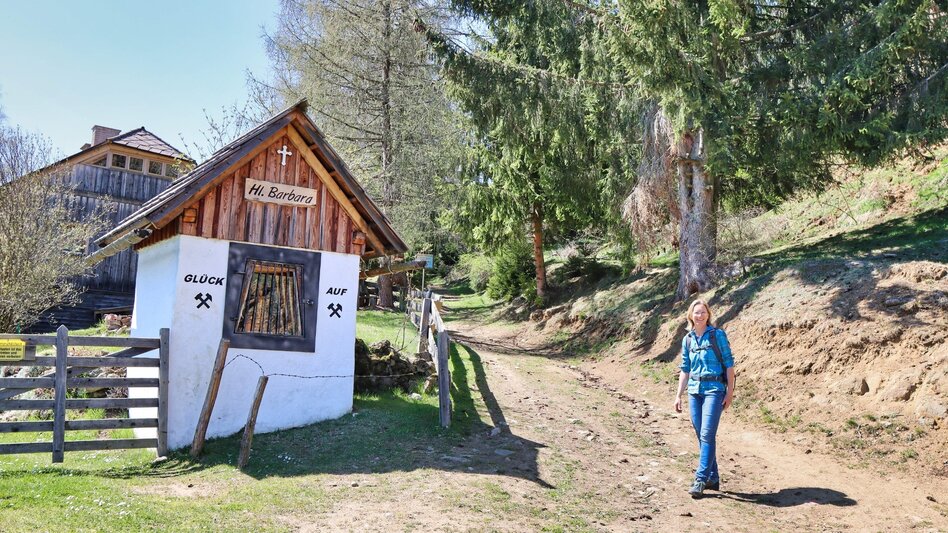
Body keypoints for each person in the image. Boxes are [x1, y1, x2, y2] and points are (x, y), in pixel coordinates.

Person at [673, 299, 736, 498]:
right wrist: (678, 395)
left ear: (708, 314)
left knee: (707, 434)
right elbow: (685, 369)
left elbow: (729, 365)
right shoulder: (688, 339)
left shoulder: (717, 335)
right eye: (696, 312)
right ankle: (713, 478)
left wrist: (730, 392)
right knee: (702, 434)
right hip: (694, 391)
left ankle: (700, 479)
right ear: (690, 316)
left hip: (714, 390)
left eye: (703, 312)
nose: (699, 315)